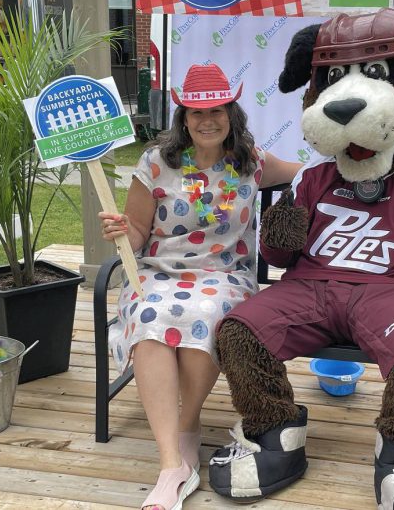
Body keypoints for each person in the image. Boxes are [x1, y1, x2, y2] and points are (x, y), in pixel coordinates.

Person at [99, 63, 301, 510]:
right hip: (155, 271)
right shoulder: (155, 162)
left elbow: (306, 172)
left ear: (231, 112)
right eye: (196, 111)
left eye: (217, 110)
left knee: (205, 317)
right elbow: (135, 232)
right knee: (153, 318)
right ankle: (172, 464)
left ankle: (187, 429)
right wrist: (121, 230)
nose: (207, 120)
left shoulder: (251, 161)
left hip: (224, 276)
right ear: (183, 116)